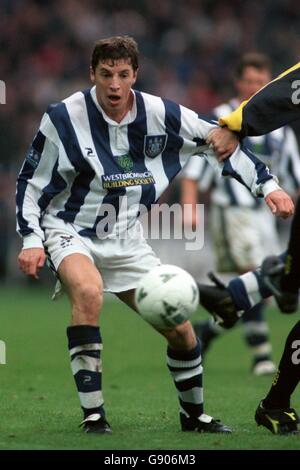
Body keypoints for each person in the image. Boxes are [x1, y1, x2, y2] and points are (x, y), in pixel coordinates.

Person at [16, 36, 293, 435]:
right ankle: (94, 416)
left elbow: (220, 139)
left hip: (127, 239)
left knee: (180, 329)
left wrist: (270, 187)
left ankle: (193, 416)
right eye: (106, 74)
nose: (114, 84)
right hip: (69, 229)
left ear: (135, 75)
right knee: (89, 292)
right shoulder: (63, 117)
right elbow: (31, 181)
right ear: (91, 73)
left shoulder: (160, 113)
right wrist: (30, 238)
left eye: (123, 74)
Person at [181, 53, 300, 376]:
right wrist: (189, 208)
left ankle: (210, 328)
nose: (254, 87)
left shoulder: (280, 130)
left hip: (264, 216)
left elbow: (293, 178)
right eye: (249, 81)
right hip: (230, 211)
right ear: (238, 82)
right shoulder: (221, 119)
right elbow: (194, 170)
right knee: (256, 270)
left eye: (261, 83)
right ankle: (261, 356)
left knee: (267, 284)